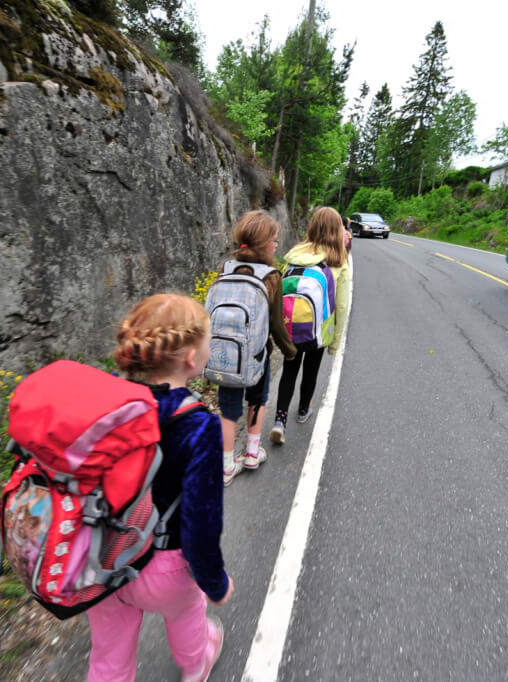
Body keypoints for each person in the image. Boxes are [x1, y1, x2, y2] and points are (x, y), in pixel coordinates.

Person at [87, 293, 234, 682]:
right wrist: (215, 583)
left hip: (101, 557)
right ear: (190, 357)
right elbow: (201, 522)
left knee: (108, 652)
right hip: (161, 565)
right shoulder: (199, 425)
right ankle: (196, 663)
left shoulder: (107, 401)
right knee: (188, 614)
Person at [216, 210, 297, 485]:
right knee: (258, 400)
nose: (276, 244)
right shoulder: (272, 275)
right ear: (264, 242)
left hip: (225, 354)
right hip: (257, 354)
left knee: (227, 409)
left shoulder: (225, 268)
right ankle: (251, 453)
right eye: (274, 239)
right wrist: (289, 350)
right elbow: (276, 323)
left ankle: (227, 466)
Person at [270, 207, 349, 444]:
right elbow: (342, 306)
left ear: (312, 227)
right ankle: (304, 410)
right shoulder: (337, 260)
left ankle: (279, 421)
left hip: (291, 327)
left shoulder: (294, 254)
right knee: (311, 370)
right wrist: (335, 342)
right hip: (319, 330)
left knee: (289, 370)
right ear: (337, 230)